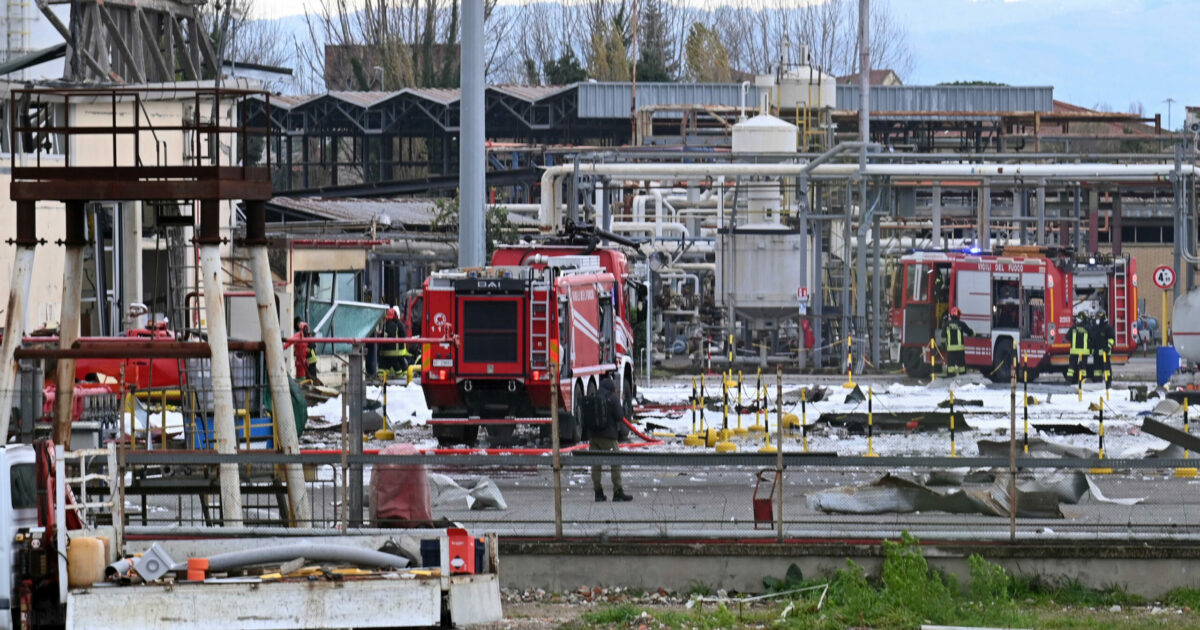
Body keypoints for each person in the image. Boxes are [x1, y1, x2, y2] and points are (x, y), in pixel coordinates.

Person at [590, 376, 632, 502]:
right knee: (616, 463)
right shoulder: (612, 398)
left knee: (596, 465)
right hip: (609, 436)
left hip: (593, 437)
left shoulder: (593, 396)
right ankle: (618, 491)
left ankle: (598, 492)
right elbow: (619, 416)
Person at [379, 306, 411, 374]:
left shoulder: (385, 325)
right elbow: (403, 336)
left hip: (385, 352)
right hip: (397, 351)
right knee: (399, 366)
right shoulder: (397, 325)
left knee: (386, 366)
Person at [943, 307, 974, 376]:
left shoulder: (946, 325)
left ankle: (950, 380)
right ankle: (962, 380)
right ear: (958, 315)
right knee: (962, 367)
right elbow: (969, 332)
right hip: (960, 350)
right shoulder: (961, 324)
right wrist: (974, 333)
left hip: (950, 350)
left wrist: (944, 346)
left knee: (950, 367)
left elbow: (943, 337)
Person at [1091, 312, 1115, 386]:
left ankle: (1108, 382)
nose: (1097, 319)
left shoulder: (1108, 328)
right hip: (1096, 353)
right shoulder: (1095, 328)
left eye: (1098, 318)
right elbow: (1093, 339)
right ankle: (1097, 381)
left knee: (1106, 368)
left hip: (1105, 352)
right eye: (1096, 318)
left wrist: (1108, 347)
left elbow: (1111, 339)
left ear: (1103, 318)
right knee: (1097, 369)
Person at [1066, 313, 1091, 384]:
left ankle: (1068, 381)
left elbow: (1067, 337)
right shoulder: (1087, 328)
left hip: (1074, 351)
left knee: (1071, 368)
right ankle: (1083, 381)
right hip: (1084, 352)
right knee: (1083, 368)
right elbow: (1092, 337)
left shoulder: (1073, 327)